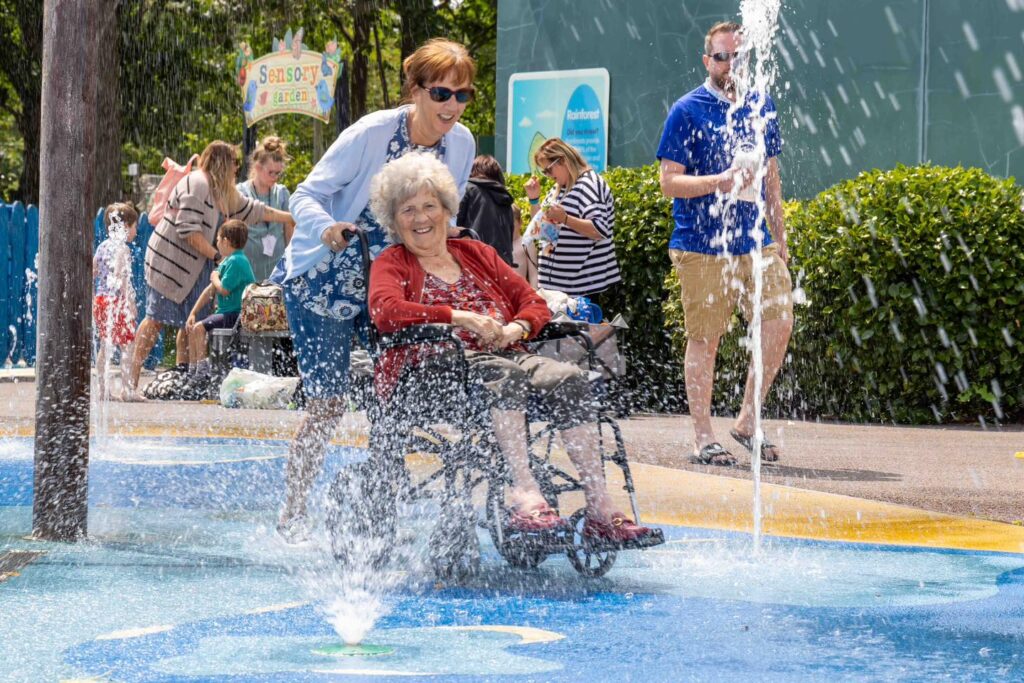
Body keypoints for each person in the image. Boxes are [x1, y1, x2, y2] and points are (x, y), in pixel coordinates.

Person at [368, 153, 654, 543]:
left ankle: (600, 507)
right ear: (394, 220)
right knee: (505, 373)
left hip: (506, 354)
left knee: (569, 378)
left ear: (447, 210)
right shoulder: (391, 262)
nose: (421, 218)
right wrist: (459, 317)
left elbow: (532, 300)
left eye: (430, 206)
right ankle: (524, 491)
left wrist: (517, 327)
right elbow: (385, 311)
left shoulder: (476, 254)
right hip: (434, 369)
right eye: (408, 210)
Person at [274, 38, 477, 543]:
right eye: (441, 93)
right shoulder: (372, 133)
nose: (451, 105)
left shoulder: (461, 145)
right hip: (323, 278)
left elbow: (440, 217)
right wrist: (326, 227)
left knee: (395, 395)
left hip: (387, 288)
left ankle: (381, 502)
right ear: (416, 90)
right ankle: (293, 513)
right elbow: (306, 192)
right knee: (328, 404)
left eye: (462, 95)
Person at [656, 21, 793, 465]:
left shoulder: (761, 104)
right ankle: (702, 437)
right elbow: (669, 182)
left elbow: (771, 177)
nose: (730, 64)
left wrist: (780, 236)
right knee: (706, 339)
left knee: (780, 319)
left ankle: (748, 421)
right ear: (707, 60)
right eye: (722, 56)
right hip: (701, 244)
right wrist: (720, 181)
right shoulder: (686, 110)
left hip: (754, 240)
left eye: (738, 56)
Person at [122, 141, 293, 401]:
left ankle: (184, 378)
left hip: (195, 268)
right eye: (234, 163)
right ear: (222, 163)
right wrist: (217, 256)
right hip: (171, 264)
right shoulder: (197, 184)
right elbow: (187, 229)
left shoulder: (221, 190)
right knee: (155, 318)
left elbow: (252, 210)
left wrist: (288, 217)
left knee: (190, 323)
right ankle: (129, 383)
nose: (236, 169)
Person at [523, 138, 621, 302]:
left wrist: (566, 219)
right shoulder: (560, 187)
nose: (548, 176)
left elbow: (600, 229)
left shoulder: (589, 184)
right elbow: (542, 229)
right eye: (544, 172)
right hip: (559, 287)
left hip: (581, 288)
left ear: (562, 160)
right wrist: (534, 200)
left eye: (548, 170)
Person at [184, 220, 256, 387]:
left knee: (199, 328)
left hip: (236, 315)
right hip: (226, 312)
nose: (216, 243)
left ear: (226, 241)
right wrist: (193, 313)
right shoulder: (228, 261)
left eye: (217, 239)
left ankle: (202, 373)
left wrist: (215, 277)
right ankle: (193, 370)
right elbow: (209, 291)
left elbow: (223, 289)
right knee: (194, 328)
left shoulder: (237, 261)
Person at [93, 202, 139, 400]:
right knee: (127, 345)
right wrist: (130, 302)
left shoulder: (102, 247)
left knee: (105, 345)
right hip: (117, 301)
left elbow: (93, 271)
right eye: (135, 226)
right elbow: (122, 277)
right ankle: (127, 391)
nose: (136, 231)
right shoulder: (123, 249)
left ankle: (103, 390)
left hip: (101, 300)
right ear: (125, 226)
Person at [237, 136, 293, 282]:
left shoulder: (282, 194)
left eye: (278, 173)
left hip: (276, 273)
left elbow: (289, 235)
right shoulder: (241, 193)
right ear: (257, 167)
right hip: (247, 273)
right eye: (270, 172)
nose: (274, 177)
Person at [456, 155, 515, 265]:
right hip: (502, 264)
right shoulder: (505, 197)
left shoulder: (468, 189)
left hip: (474, 260)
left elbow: (456, 224)